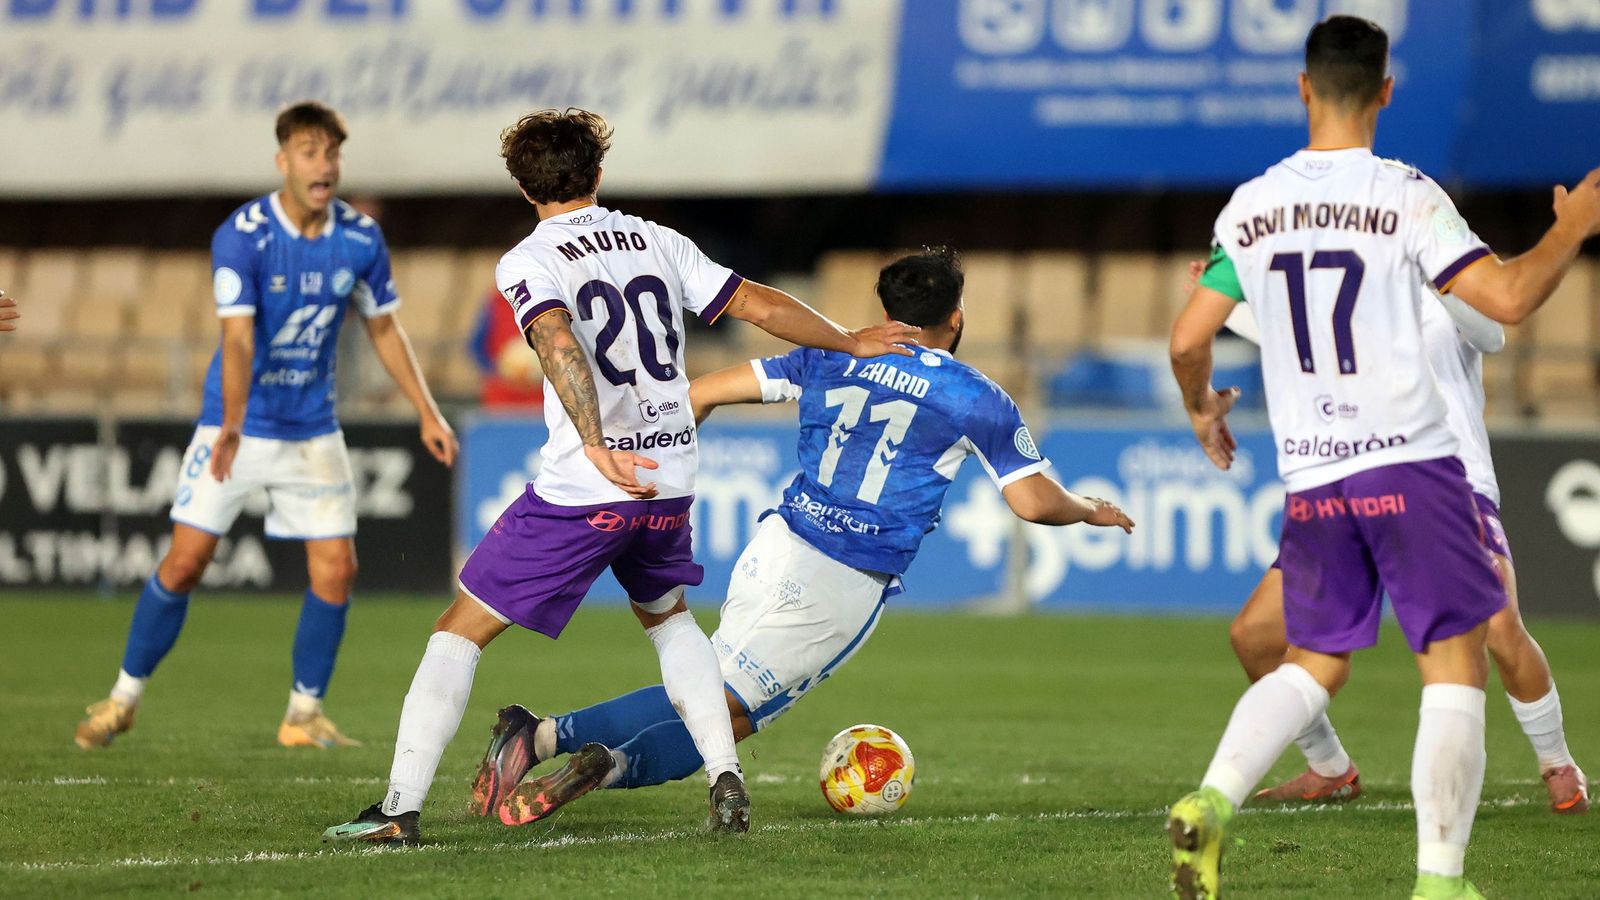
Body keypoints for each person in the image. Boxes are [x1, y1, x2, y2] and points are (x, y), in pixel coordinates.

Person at [322, 108, 920, 846]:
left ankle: (397, 811)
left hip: (588, 485)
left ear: (522, 185)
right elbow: (757, 303)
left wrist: (596, 442)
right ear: (598, 174)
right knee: (669, 620)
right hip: (668, 476)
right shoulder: (657, 239)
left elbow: (553, 338)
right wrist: (848, 338)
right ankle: (724, 776)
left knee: (460, 631)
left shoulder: (527, 260)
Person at [461, 247, 1134, 826]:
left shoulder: (831, 354)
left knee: (708, 686)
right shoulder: (976, 397)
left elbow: (700, 394)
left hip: (778, 543)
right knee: (726, 715)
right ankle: (591, 758)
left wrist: (661, 474)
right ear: (956, 316)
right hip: (847, 578)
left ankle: (544, 737)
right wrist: (1090, 508)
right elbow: (1034, 502)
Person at [1166, 15, 1600, 900]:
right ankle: (1439, 884)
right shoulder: (1407, 195)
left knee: (1313, 663)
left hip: (1315, 477)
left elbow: (1186, 338)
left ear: (1301, 87)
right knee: (1454, 663)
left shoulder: (1249, 207)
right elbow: (1509, 298)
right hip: (1410, 463)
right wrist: (1574, 229)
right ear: (1386, 92)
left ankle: (1213, 797)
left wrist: (1202, 409)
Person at [74, 101, 458, 752]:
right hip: (239, 427)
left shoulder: (360, 238)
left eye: (333, 153)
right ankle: (122, 698)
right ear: (283, 162)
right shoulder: (244, 234)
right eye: (311, 153)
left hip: (312, 430)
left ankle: (302, 715)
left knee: (336, 570)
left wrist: (427, 410)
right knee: (187, 561)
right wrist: (229, 423)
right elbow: (239, 339)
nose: (325, 165)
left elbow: (384, 327)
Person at [1222, 296, 1587, 815]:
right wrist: (1225, 302)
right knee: (1255, 637)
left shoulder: (1446, 262)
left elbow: (1493, 333)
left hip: (1451, 482)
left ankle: (1557, 762)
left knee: (1501, 628)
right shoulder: (1347, 274)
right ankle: (1330, 768)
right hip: (1357, 485)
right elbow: (1297, 338)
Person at [468, 285, 544, 409]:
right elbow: (476, 345)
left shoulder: (551, 296)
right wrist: (496, 371)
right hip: (502, 396)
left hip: (543, 396)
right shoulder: (497, 300)